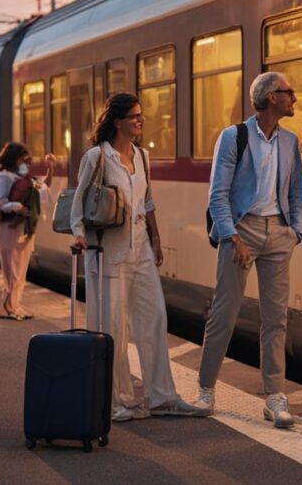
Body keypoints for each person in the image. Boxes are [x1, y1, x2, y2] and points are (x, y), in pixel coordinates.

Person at [71, 93, 201, 422]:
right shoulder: (97, 157)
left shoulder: (142, 156)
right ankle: (118, 401)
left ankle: (162, 397)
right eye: (134, 116)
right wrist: (78, 234)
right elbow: (79, 201)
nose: (141, 121)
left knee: (154, 318)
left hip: (140, 247)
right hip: (107, 252)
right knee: (112, 327)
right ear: (118, 121)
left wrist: (157, 239)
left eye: (141, 116)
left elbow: (148, 200)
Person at [200, 72, 302, 427]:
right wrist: (232, 238)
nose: (294, 98)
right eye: (288, 92)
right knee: (225, 312)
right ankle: (205, 388)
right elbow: (218, 194)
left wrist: (296, 233)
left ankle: (274, 396)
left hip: (277, 233)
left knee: (276, 318)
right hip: (241, 231)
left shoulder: (290, 142)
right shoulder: (234, 137)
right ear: (271, 97)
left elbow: (296, 193)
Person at [0, 142, 55, 320]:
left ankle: (15, 305)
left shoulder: (25, 177)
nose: (26, 162)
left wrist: (49, 168)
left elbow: (43, 190)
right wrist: (18, 207)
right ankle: (7, 308)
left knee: (20, 269)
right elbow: (1, 202)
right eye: (23, 158)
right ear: (14, 158)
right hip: (10, 226)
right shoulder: (4, 176)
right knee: (11, 268)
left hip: (24, 228)